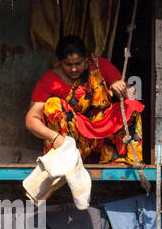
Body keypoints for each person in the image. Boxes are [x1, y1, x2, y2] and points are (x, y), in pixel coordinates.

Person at [24, 34, 143, 165]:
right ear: (59, 61)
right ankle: (66, 161)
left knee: (132, 106)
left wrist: (121, 87)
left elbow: (133, 95)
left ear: (86, 59)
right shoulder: (50, 80)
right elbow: (31, 119)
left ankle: (122, 161)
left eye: (78, 63)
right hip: (73, 138)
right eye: (68, 64)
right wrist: (55, 137)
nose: (74, 69)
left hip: (104, 130)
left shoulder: (99, 66)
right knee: (53, 105)